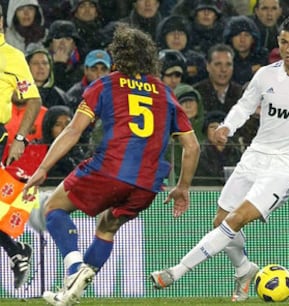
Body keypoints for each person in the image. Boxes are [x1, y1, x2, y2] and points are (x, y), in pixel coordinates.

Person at [150, 15, 289, 301]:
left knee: (236, 220)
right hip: (255, 155)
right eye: (284, 42)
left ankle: (177, 271)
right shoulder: (266, 74)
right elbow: (245, 105)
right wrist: (227, 125)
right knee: (221, 222)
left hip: (287, 166)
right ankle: (244, 269)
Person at [23, 25, 200, 306]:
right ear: (149, 59)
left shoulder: (106, 84)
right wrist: (183, 187)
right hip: (148, 183)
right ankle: (70, 294)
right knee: (107, 227)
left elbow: (72, 131)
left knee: (53, 207)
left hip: (110, 169)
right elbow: (192, 147)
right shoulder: (165, 93)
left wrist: (43, 167)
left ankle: (73, 269)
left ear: (116, 57)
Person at [0, 3, 41, 289]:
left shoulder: (12, 57)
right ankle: (16, 252)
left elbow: (33, 100)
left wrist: (20, 139)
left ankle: (17, 252)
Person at [193, 110, 242, 186]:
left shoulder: (237, 153)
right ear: (206, 131)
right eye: (212, 127)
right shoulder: (199, 153)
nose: (217, 131)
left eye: (220, 127)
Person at [194, 43, 243, 114]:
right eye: (218, 64)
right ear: (208, 66)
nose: (223, 69)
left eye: (228, 64)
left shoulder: (241, 94)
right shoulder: (196, 94)